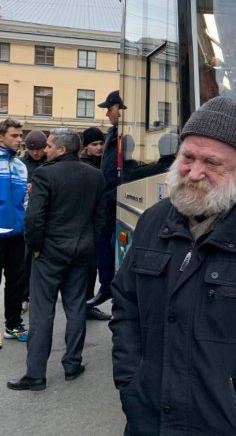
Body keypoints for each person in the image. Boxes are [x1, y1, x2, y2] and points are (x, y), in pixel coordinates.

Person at [110, 96, 236, 435]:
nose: (195, 172)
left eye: (212, 163)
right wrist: (131, 382)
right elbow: (125, 304)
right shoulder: (153, 221)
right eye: (188, 157)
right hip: (149, 420)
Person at [7, 129, 106, 391]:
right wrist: (90, 246)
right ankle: (73, 364)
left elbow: (34, 217)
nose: (46, 149)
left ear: (62, 150)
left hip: (49, 253)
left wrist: (35, 247)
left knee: (42, 313)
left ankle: (36, 374)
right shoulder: (95, 176)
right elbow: (101, 217)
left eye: (50, 145)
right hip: (82, 252)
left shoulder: (45, 174)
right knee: (76, 310)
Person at [88, 90, 125, 309]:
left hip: (118, 197)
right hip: (108, 199)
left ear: (121, 109)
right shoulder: (113, 133)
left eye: (109, 109)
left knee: (113, 246)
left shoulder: (129, 134)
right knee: (104, 245)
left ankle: (114, 288)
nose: (107, 114)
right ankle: (106, 287)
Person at [0, 118, 29, 344]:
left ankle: (13, 325)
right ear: (1, 136)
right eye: (15, 135)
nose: (20, 140)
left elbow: (24, 202)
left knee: (16, 284)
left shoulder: (20, 165)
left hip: (17, 237)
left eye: (21, 136)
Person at [80, 126, 110, 320]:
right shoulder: (84, 166)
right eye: (94, 144)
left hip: (97, 223)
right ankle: (83, 305)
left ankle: (87, 304)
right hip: (86, 224)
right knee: (85, 269)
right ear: (85, 147)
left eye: (101, 143)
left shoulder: (103, 164)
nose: (99, 147)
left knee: (92, 268)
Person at [20, 130, 47, 309]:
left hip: (46, 218)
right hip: (26, 217)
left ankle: (40, 294)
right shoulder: (21, 164)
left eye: (38, 149)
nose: (35, 153)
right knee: (25, 261)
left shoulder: (51, 162)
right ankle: (24, 295)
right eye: (31, 150)